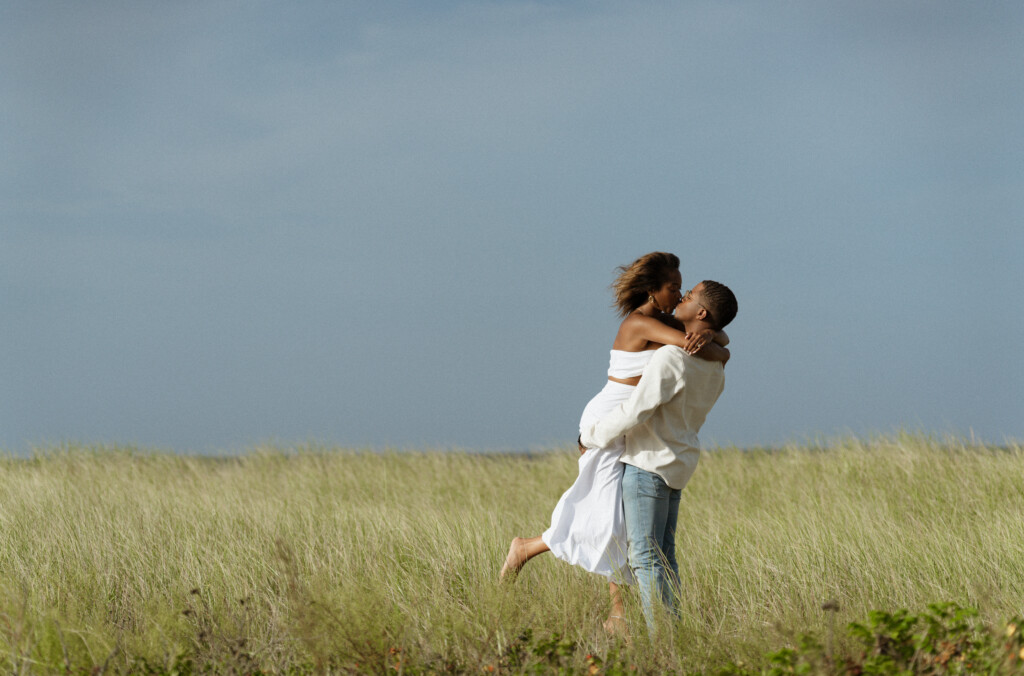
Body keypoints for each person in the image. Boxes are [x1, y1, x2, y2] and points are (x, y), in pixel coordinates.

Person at [499, 253, 730, 636]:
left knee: (618, 519)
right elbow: (695, 345)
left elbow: (711, 335)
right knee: (608, 517)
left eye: (682, 289)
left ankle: (617, 616)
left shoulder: (664, 319)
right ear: (653, 290)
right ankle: (526, 549)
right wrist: (718, 345)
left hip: (629, 423)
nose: (678, 293)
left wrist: (714, 336)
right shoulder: (641, 323)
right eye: (674, 287)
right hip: (608, 420)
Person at [579, 280, 738, 633]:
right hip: (679, 465)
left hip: (647, 465)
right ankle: (674, 635)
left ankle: (662, 641)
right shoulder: (716, 367)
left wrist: (589, 436)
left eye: (690, 295)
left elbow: (636, 411)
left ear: (700, 313)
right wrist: (715, 340)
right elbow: (721, 348)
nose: (682, 297)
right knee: (665, 557)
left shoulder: (671, 356)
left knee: (647, 560)